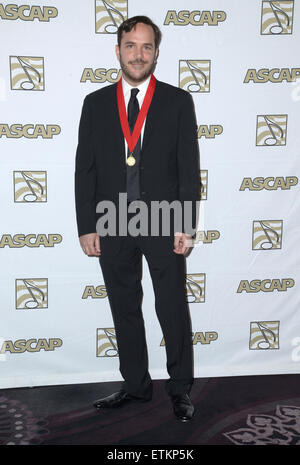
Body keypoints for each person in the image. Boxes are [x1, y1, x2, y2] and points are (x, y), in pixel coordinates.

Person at [75, 16, 200, 422]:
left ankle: (180, 389)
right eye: (131, 45)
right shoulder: (95, 103)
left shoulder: (178, 101)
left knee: (171, 306)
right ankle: (135, 386)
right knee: (124, 306)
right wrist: (86, 225)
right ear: (118, 50)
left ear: (156, 53)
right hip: (111, 220)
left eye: (147, 47)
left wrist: (185, 222)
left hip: (164, 219)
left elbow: (187, 166)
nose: (138, 54)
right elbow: (86, 169)